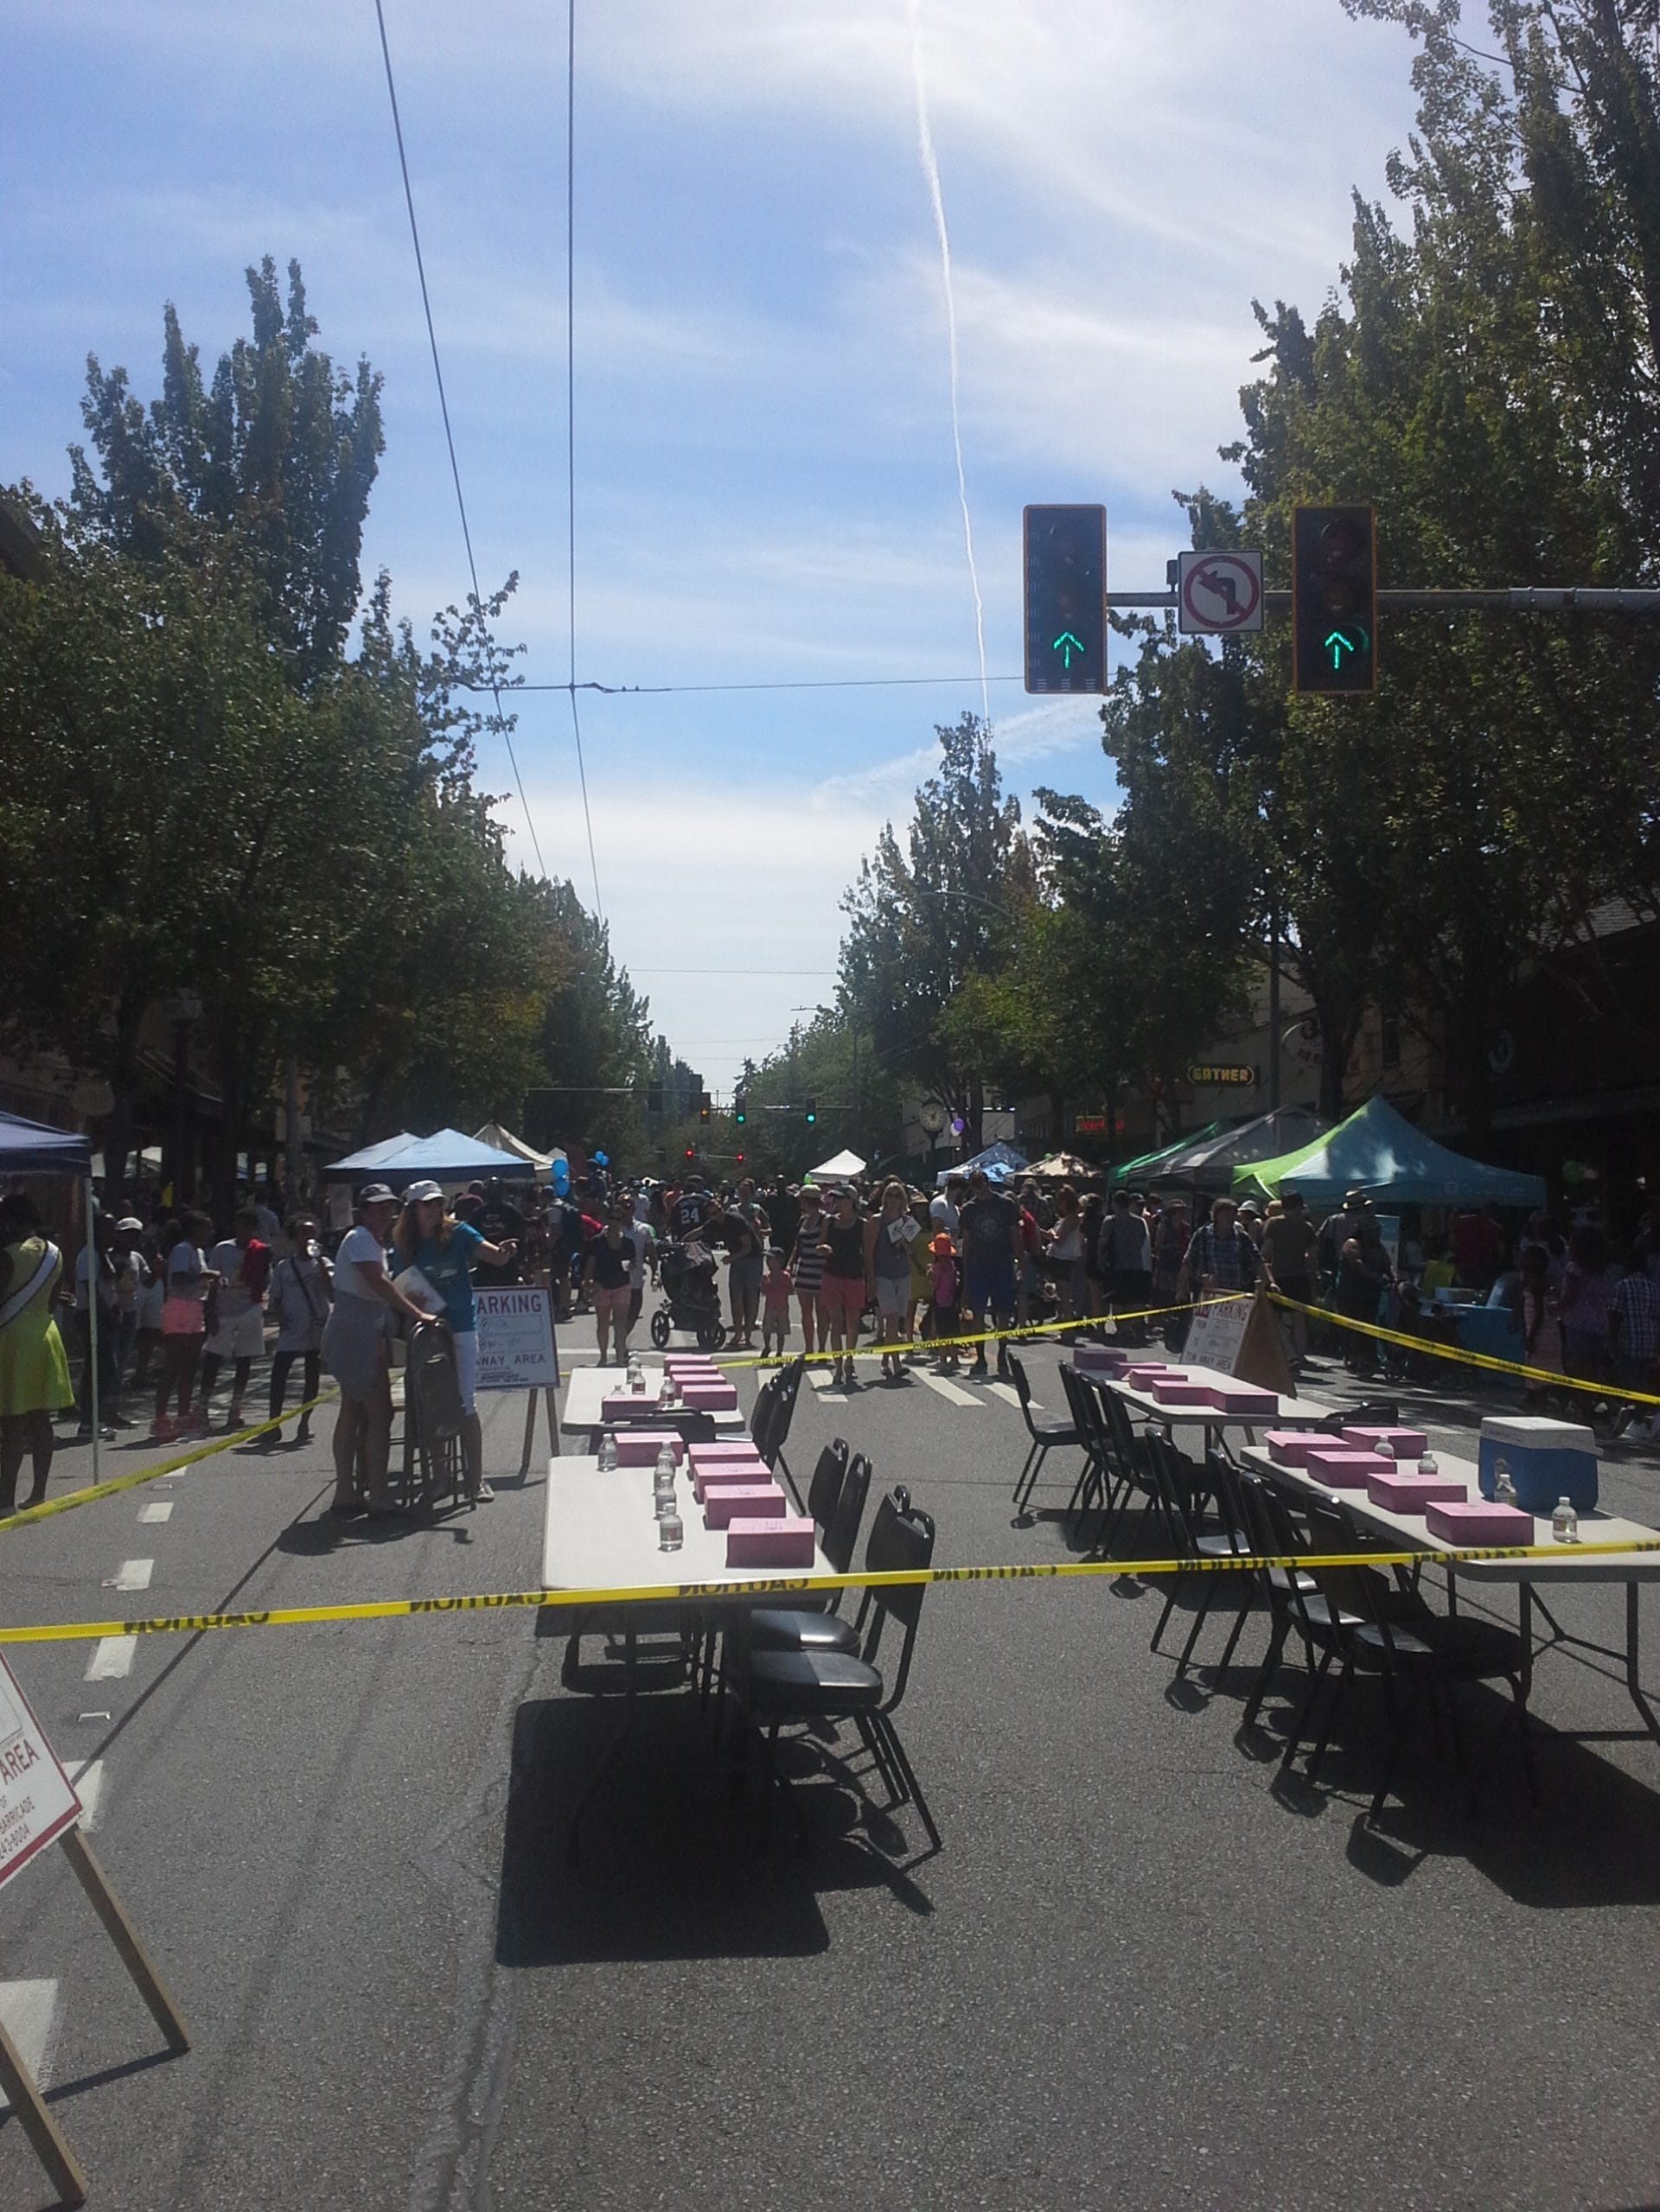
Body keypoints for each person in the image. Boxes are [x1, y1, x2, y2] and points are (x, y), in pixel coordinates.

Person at [393, 1179, 520, 1501]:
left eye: (438, 1203)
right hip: (428, 1328)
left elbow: (491, 1255)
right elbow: (401, 1285)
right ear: (414, 1209)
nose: (436, 1209)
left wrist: (504, 1252)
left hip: (461, 1325)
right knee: (431, 1403)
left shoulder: (459, 1231)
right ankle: (439, 1476)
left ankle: (475, 1479)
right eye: (428, 1204)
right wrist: (413, 1308)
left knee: (465, 1401)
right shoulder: (405, 1244)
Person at [322, 1184, 429, 1517]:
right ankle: (378, 1494)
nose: (384, 1213)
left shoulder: (374, 1242)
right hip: (355, 1332)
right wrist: (416, 1312)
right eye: (377, 1207)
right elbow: (377, 1283)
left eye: (389, 1207)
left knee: (353, 1411)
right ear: (363, 1210)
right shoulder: (359, 1239)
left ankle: (347, 1490)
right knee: (380, 1414)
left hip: (362, 1329)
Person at [0, 1194, 76, 1515]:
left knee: (13, 1422)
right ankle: (38, 1492)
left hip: (13, 1337)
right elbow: (52, 1300)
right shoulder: (54, 1253)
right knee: (40, 1418)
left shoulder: (8, 1256)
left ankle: (5, 1501)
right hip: (45, 1334)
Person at [201, 1206, 272, 1430]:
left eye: (247, 1227)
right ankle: (202, 1407)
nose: (242, 1231)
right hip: (224, 1309)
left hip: (248, 1308)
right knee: (213, 1358)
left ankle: (236, 1407)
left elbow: (265, 1280)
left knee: (245, 1359)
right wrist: (210, 1311)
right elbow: (212, 1281)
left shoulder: (260, 1251)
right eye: (239, 1226)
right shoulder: (223, 1249)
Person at [265, 1216, 332, 1446]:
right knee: (279, 1376)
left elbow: (332, 1293)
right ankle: (273, 1424)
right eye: (303, 1233)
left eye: (312, 1233)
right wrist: (281, 1318)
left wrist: (322, 1267)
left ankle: (305, 1422)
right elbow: (275, 1299)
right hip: (292, 1329)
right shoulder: (284, 1267)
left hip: (315, 1327)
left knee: (311, 1376)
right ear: (295, 1238)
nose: (307, 1238)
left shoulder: (324, 1264)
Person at [154, 1212, 217, 1440]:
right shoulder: (182, 1249)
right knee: (173, 1366)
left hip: (194, 1308)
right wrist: (204, 1275)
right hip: (179, 1307)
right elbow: (179, 1278)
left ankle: (183, 1415)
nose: (209, 1233)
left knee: (190, 1367)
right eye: (206, 1229)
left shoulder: (198, 1252)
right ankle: (160, 1418)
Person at [958, 1169, 1021, 1380]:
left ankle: (1002, 1354)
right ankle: (981, 1357)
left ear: (988, 1182)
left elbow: (1015, 1232)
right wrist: (965, 1270)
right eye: (976, 1184)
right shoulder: (969, 1209)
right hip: (978, 1264)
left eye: (982, 1183)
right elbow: (966, 1242)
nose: (980, 1188)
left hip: (1001, 1262)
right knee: (977, 1311)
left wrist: (1020, 1259)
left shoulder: (1005, 1205)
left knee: (1003, 1312)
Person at [71, 1214, 124, 1439]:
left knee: (104, 1367)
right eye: (108, 1229)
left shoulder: (104, 1256)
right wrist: (107, 1315)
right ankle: (88, 1422)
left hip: (104, 1316)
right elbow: (90, 1289)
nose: (113, 1234)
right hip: (91, 1316)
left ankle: (95, 1419)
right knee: (100, 1368)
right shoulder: (88, 1255)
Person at [1260, 1189, 1318, 1370]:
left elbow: (1266, 1251)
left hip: (1279, 1277)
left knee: (1274, 1318)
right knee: (1300, 1321)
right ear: (1300, 1206)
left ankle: (1290, 1353)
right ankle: (1299, 1357)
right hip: (1300, 1277)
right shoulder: (1306, 1227)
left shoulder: (1274, 1223)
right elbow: (1313, 1256)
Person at [818, 1184, 869, 1388]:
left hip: (854, 1276)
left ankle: (849, 1361)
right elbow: (820, 1245)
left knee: (852, 1324)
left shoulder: (862, 1224)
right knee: (836, 1323)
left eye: (842, 1199)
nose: (837, 1202)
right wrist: (823, 1248)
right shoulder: (829, 1222)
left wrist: (871, 1279)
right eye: (836, 1199)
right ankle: (838, 1366)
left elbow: (867, 1253)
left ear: (851, 1202)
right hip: (832, 1275)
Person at [866, 1178, 917, 1382]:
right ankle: (897, 1364)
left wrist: (905, 1243)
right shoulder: (876, 1221)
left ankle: (885, 1360)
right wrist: (870, 1278)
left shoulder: (908, 1222)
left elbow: (912, 1251)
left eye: (898, 1195)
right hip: (883, 1274)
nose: (893, 1199)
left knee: (895, 1323)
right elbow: (869, 1251)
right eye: (890, 1194)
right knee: (892, 1318)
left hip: (903, 1273)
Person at [1609, 1248, 1660, 1439]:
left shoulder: (1623, 1285)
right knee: (1644, 1386)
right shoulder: (1654, 1288)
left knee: (1628, 1383)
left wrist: (1611, 1340)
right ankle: (1635, 1416)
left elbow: (1616, 1313)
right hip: (1650, 1343)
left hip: (1629, 1342)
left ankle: (1629, 1412)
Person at [584, 1198, 638, 1367]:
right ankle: (603, 1356)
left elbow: (631, 1263)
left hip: (622, 1284)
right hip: (601, 1285)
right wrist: (588, 1283)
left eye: (618, 1219)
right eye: (612, 1218)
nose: (615, 1222)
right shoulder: (597, 1241)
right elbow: (590, 1264)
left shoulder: (628, 1243)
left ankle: (621, 1357)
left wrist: (633, 1265)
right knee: (603, 1322)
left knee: (620, 1323)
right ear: (607, 1220)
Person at [1181, 1196, 1261, 1303]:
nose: (1230, 1218)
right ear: (1216, 1215)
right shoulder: (1202, 1235)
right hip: (1207, 1294)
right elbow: (1187, 1262)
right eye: (1226, 1214)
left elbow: (1258, 1260)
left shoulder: (1241, 1237)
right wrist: (1181, 1288)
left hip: (1235, 1295)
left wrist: (1270, 1282)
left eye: (1233, 1214)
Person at [1101, 1189, 1153, 1348]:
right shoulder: (1139, 1222)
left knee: (1117, 1300)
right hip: (1136, 1265)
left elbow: (1102, 1242)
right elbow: (1142, 1241)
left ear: (1115, 1204)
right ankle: (1130, 1327)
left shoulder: (1110, 1221)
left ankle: (1122, 1329)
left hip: (1117, 1265)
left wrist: (1101, 1260)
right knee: (1132, 1299)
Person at [725, 1179, 770, 1349]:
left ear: (752, 1194)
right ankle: (738, 1333)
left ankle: (748, 1334)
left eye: (746, 1193)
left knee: (752, 1295)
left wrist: (758, 1230)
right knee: (736, 1296)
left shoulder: (758, 1210)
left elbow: (769, 1229)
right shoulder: (732, 1210)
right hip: (737, 1257)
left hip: (754, 1257)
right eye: (740, 1193)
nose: (743, 1196)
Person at [788, 1184, 827, 1361]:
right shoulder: (803, 1220)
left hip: (821, 1271)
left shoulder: (825, 1220)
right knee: (806, 1312)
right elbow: (798, 1245)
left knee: (822, 1312)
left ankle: (822, 1349)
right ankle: (809, 1348)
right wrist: (790, 1265)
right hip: (804, 1271)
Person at [472, 1178, 530, 1288]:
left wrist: (521, 1256)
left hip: (508, 1262)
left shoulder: (512, 1211)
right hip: (485, 1263)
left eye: (496, 1189)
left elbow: (522, 1236)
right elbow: (471, 1237)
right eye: (492, 1189)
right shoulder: (479, 1213)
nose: (494, 1192)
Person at [1046, 1185, 1086, 1327]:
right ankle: (1064, 1323)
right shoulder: (1069, 1218)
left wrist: (1050, 1234)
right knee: (1061, 1293)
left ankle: (1068, 1330)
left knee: (1064, 1295)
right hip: (1061, 1258)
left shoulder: (1071, 1219)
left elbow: (1060, 1240)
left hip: (1063, 1259)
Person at [929, 1231, 962, 1373]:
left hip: (940, 1303)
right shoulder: (952, 1265)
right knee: (951, 1333)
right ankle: (954, 1359)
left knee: (942, 1334)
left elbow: (935, 1285)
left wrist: (930, 1276)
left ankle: (942, 1360)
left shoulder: (937, 1267)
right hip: (951, 1302)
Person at [760, 1246, 794, 1361]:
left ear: (780, 1262)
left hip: (782, 1307)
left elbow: (791, 1290)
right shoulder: (767, 1276)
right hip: (770, 1307)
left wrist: (779, 1288)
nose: (769, 1262)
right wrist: (765, 1284)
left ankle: (779, 1351)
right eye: (768, 1260)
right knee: (766, 1329)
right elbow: (763, 1292)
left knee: (781, 1331)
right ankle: (767, 1346)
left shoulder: (785, 1276)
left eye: (772, 1260)